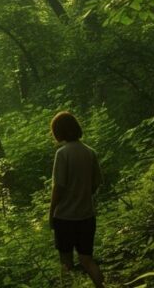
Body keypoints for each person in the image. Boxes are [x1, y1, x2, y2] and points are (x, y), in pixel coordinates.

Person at [49, 110, 106, 287]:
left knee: (66, 264)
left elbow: (58, 187)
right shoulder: (90, 152)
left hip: (65, 218)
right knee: (87, 260)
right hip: (87, 216)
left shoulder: (62, 153)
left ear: (59, 131)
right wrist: (83, 195)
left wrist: (51, 213)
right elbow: (96, 182)